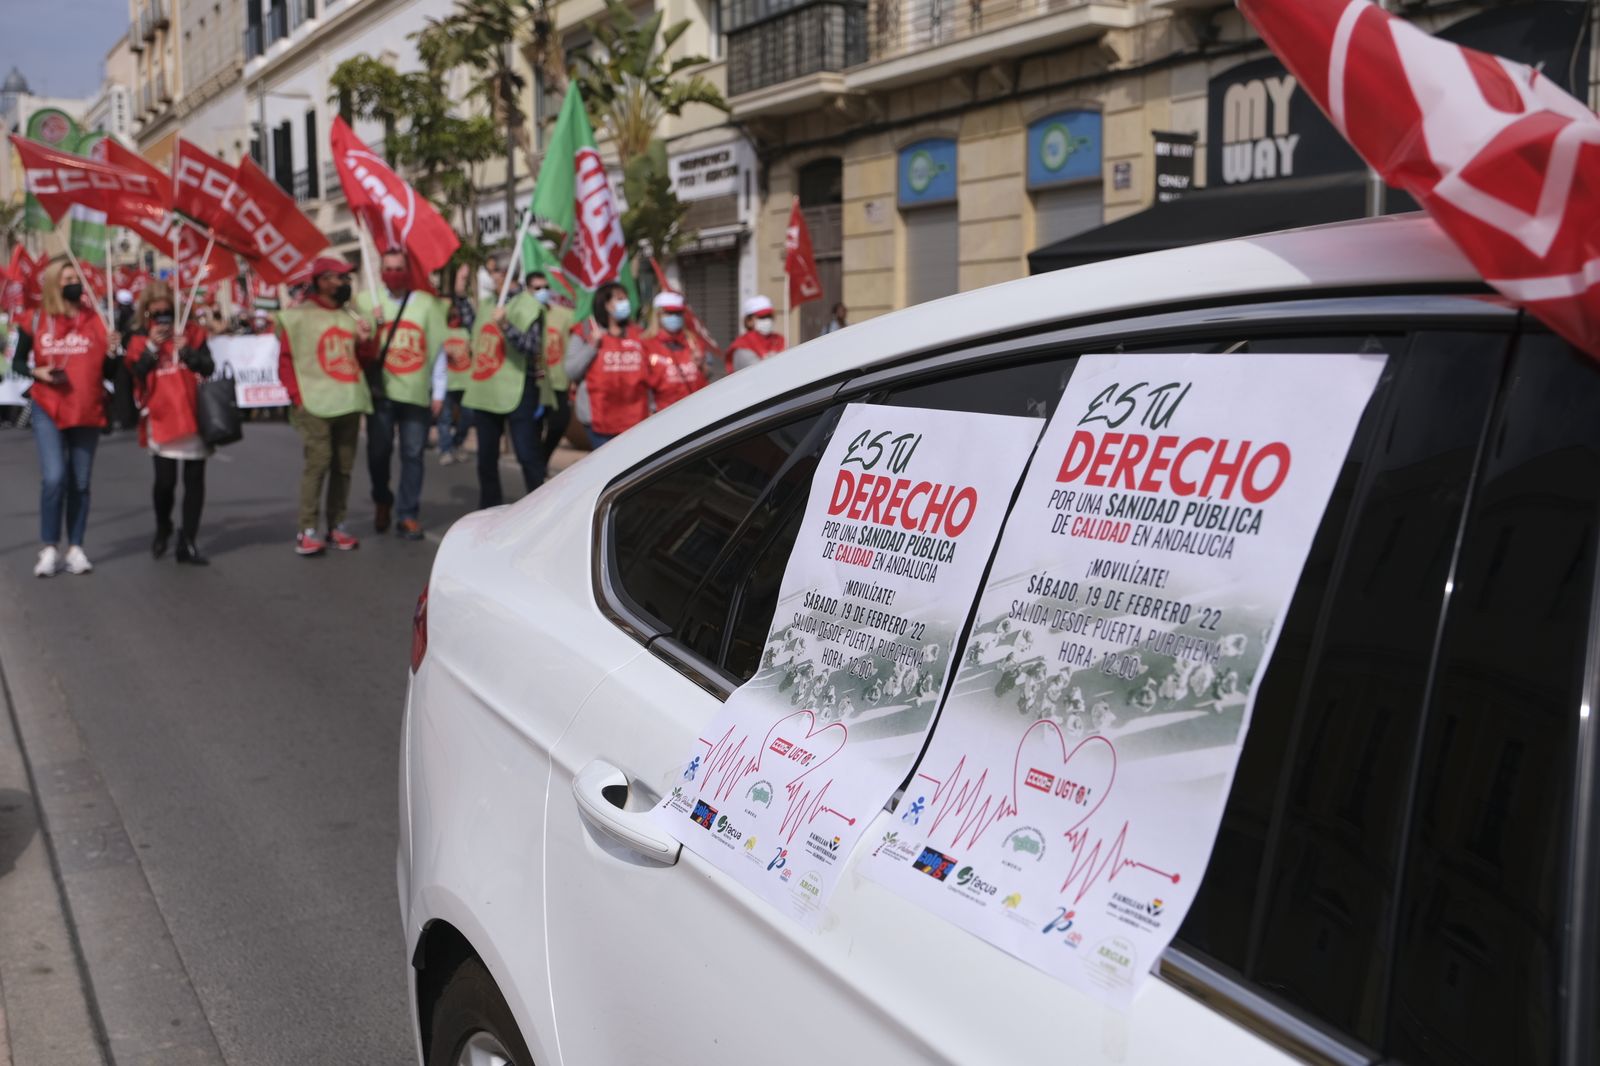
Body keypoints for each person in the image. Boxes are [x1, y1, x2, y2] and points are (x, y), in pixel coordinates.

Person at [10, 259, 114, 577]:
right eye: (68, 278)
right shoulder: (38, 318)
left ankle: (76, 548)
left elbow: (109, 372)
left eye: (77, 278)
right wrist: (36, 371)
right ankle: (50, 547)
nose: (75, 283)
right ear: (56, 283)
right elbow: (16, 362)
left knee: (80, 482)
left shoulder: (97, 320)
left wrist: (113, 351)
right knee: (54, 478)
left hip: (86, 409)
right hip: (49, 407)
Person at [276, 255, 377, 556]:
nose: (345, 283)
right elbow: (285, 361)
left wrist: (367, 340)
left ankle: (337, 525)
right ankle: (307, 529)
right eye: (338, 277)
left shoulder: (352, 314)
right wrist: (298, 397)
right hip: (315, 404)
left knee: (343, 468)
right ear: (321, 281)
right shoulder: (298, 316)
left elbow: (365, 359)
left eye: (346, 278)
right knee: (318, 464)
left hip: (348, 400)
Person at [356, 247, 446, 540]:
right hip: (381, 393)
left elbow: (437, 348)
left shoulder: (427, 305)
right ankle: (382, 497)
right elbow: (358, 349)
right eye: (388, 268)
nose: (393, 274)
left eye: (398, 268)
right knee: (378, 453)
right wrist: (371, 326)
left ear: (408, 272)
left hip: (416, 392)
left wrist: (439, 390)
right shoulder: (366, 302)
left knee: (413, 454)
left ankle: (408, 514)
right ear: (380, 271)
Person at [124, 282, 214, 565]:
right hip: (160, 416)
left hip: (193, 413)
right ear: (146, 314)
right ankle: (164, 525)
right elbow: (136, 373)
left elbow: (208, 367)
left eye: (167, 313)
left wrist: (188, 351)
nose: (162, 319)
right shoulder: (138, 339)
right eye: (156, 314)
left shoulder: (193, 333)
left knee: (194, 480)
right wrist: (152, 345)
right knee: (165, 483)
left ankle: (188, 541)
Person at [462, 255, 547, 508]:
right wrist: (459, 294)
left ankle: (540, 508)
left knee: (527, 454)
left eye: (493, 272)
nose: (491, 277)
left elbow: (531, 347)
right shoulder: (489, 303)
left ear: (506, 272)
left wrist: (506, 325)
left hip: (518, 391)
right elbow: (473, 330)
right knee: (486, 459)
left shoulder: (529, 305)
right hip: (486, 391)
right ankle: (490, 509)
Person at [566, 282, 649, 448]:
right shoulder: (585, 332)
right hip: (598, 419)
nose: (626, 303)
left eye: (626, 299)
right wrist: (592, 346)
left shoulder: (639, 333)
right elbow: (571, 371)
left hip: (634, 416)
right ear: (605, 304)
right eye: (619, 299)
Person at [528, 271, 574, 462]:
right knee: (534, 428)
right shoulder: (523, 316)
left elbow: (574, 345)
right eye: (537, 288)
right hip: (534, 384)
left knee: (559, 423)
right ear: (528, 290)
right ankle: (536, 471)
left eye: (546, 287)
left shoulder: (565, 315)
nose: (543, 291)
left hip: (558, 382)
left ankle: (543, 459)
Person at [643, 290, 709, 411]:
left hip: (697, 411)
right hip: (663, 414)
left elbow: (707, 376)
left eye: (678, 313)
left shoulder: (694, 341)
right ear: (658, 315)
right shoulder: (646, 345)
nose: (675, 317)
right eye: (669, 313)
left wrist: (702, 366)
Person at [433, 302, 472, 465]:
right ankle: (446, 449)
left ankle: (457, 443)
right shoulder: (440, 332)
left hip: (465, 382)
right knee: (445, 419)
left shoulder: (466, 332)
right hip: (447, 383)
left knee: (468, 417)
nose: (455, 315)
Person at [724, 294, 785, 375]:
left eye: (769, 316)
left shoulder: (779, 340)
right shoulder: (742, 347)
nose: (767, 320)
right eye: (762, 317)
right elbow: (759, 374)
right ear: (749, 321)